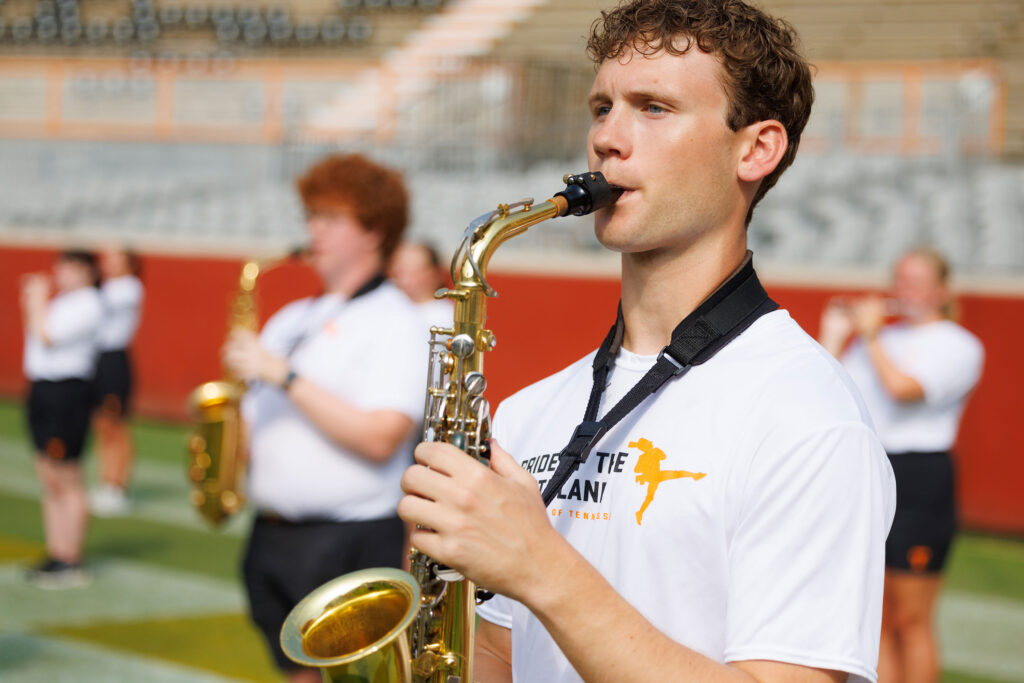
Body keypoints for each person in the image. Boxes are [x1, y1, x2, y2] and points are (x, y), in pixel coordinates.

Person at [398, 2, 896, 682]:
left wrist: (540, 563)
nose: (608, 138)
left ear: (756, 149)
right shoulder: (529, 410)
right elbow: (498, 657)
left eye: (653, 107)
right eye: (601, 107)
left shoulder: (809, 418)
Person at [221, 153, 425, 683]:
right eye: (311, 216)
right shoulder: (293, 317)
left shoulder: (396, 320)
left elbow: (382, 437)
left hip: (348, 537)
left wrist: (285, 376)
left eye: (331, 218)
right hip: (272, 533)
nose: (313, 230)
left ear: (374, 231)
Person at [819, 247, 984, 683]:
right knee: (874, 615)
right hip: (871, 472)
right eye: (900, 278)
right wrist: (835, 337)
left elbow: (903, 390)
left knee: (909, 618)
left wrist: (870, 336)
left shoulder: (959, 344)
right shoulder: (886, 340)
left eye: (915, 280)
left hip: (920, 479)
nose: (902, 289)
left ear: (940, 290)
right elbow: (825, 394)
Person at [21, 249, 104, 589]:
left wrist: (35, 300)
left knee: (67, 475)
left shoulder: (89, 304)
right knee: (48, 474)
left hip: (66, 393)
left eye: (72, 268)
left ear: (88, 272)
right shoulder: (64, 302)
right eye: (62, 267)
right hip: (43, 389)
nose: (63, 274)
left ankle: (72, 558)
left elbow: (46, 335)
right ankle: (57, 551)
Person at [90, 246, 144, 517]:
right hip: (98, 358)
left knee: (117, 425)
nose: (109, 264)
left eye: (115, 259)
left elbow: (98, 305)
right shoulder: (106, 288)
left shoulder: (129, 287)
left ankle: (118, 486)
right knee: (101, 424)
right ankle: (105, 481)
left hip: (114, 360)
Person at [388, 240, 454, 330]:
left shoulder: (445, 317)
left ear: (435, 273)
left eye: (415, 272)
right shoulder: (388, 302)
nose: (405, 280)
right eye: (400, 272)